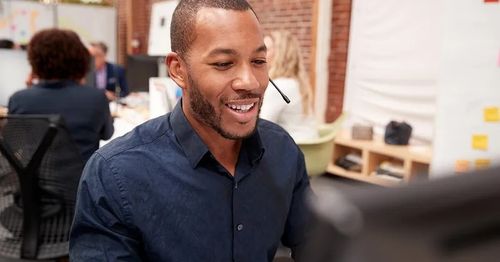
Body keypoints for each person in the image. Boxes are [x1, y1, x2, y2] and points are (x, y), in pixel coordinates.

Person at [69, 0, 312, 261]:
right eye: (223, 64)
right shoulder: (116, 174)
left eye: (259, 60)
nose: (250, 82)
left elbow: (313, 245)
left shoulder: (282, 150)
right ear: (178, 70)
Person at [8, 29, 114, 163]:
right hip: (82, 181)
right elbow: (107, 134)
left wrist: (30, 89)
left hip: (34, 181)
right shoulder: (96, 98)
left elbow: (15, 143)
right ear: (80, 60)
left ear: (34, 61)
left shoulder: (19, 100)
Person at [261, 30, 319, 141]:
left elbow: (262, 128)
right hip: (311, 149)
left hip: (293, 151)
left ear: (280, 54)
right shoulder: (296, 82)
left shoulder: (279, 86)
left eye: (265, 49)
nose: (260, 54)